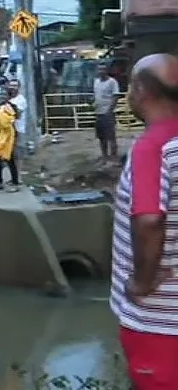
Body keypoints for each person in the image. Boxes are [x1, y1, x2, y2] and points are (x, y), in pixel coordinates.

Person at [110, 53, 178, 390]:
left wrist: (140, 281)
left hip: (160, 324)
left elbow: (150, 220)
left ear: (140, 91)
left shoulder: (153, 147)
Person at [93, 63, 120, 161]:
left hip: (108, 113)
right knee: (101, 137)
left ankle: (114, 156)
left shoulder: (112, 82)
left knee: (111, 136)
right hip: (98, 112)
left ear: (107, 70)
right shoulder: (96, 82)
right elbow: (96, 95)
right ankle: (104, 155)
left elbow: (115, 96)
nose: (101, 71)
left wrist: (109, 110)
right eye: (99, 69)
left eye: (103, 69)